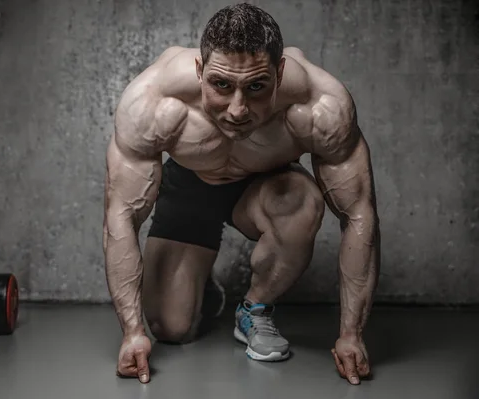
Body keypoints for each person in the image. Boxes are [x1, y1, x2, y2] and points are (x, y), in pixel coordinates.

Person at [103, 3, 380, 386]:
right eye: (221, 85)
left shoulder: (318, 106)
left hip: (264, 187)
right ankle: (204, 289)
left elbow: (360, 214)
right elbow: (120, 215)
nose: (237, 110)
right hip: (189, 187)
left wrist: (352, 335)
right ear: (200, 71)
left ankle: (255, 308)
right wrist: (132, 333)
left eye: (255, 87)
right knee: (169, 327)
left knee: (301, 201)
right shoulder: (154, 103)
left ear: (279, 74)